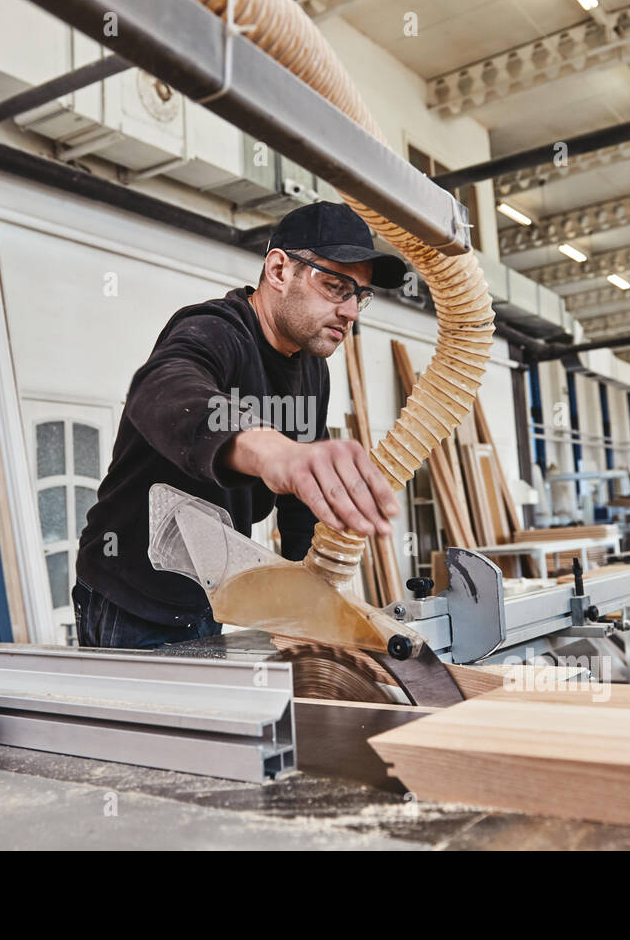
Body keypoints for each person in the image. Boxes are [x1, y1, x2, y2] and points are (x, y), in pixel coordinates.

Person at [72, 202, 406, 649]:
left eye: (359, 295)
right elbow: (164, 386)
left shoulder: (311, 370)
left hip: (208, 593)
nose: (350, 312)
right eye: (334, 286)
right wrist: (273, 451)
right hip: (131, 595)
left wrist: (313, 603)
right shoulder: (215, 329)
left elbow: (300, 506)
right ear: (279, 270)